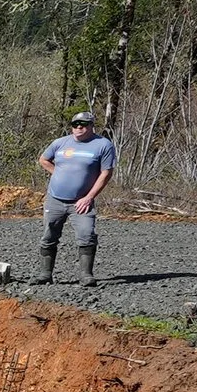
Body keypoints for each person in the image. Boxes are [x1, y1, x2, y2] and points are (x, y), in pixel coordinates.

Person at [37, 110, 118, 285]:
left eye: (83, 124)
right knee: (49, 236)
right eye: (75, 124)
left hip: (82, 201)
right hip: (55, 199)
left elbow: (106, 173)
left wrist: (89, 197)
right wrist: (58, 173)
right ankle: (45, 274)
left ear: (91, 126)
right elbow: (43, 159)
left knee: (86, 235)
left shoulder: (103, 145)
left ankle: (86, 275)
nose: (79, 127)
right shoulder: (60, 143)